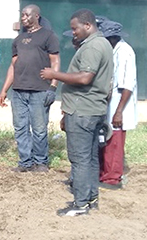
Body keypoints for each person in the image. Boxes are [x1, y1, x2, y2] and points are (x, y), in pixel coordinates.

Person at [40, 9, 113, 216]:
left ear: (87, 25)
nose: (73, 32)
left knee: (80, 159)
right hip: (92, 109)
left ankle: (80, 204)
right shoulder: (103, 43)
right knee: (89, 158)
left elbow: (84, 78)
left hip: (82, 111)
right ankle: (90, 198)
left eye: (75, 28)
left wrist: (54, 74)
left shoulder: (92, 47)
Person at [0, 4, 60, 173]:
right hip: (18, 91)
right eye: (22, 15)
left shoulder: (48, 36)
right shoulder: (18, 40)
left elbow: (55, 62)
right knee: (20, 127)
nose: (23, 18)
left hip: (40, 91)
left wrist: (53, 87)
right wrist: (4, 90)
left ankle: (41, 162)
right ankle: (25, 162)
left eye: (26, 15)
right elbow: (13, 66)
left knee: (39, 128)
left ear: (36, 16)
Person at [98, 20, 137, 190]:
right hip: (111, 105)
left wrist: (118, 112)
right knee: (106, 140)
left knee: (114, 143)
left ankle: (112, 178)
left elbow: (127, 85)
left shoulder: (125, 52)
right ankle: (104, 173)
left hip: (120, 106)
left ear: (112, 38)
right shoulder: (113, 50)